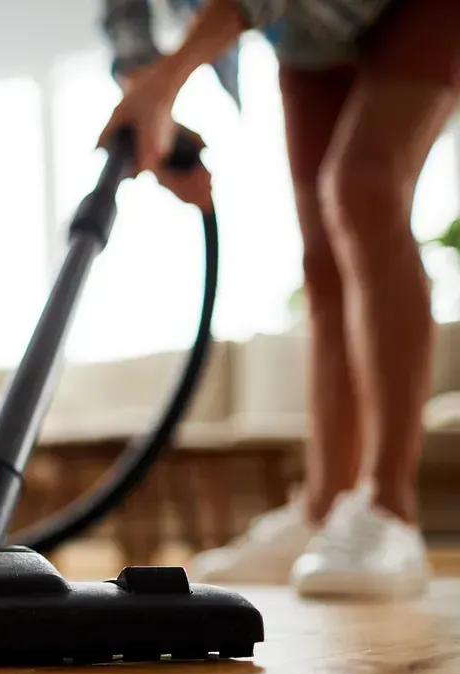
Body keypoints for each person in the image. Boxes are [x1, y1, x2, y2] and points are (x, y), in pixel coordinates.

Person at [100, 0, 459, 599]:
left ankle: (391, 510)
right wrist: (146, 96)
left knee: (362, 190)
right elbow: (127, 11)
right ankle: (324, 506)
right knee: (320, 252)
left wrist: (166, 82)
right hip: (308, 30)